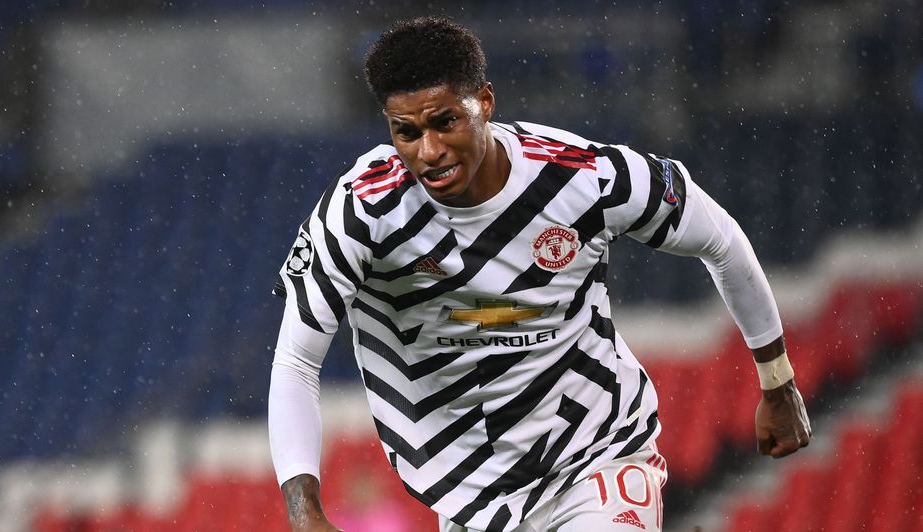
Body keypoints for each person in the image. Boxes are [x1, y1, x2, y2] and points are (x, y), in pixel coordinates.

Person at [268, 16, 811, 532]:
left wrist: (777, 381)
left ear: (485, 102)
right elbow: (296, 361)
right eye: (406, 132)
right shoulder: (361, 211)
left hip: (597, 459)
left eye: (445, 122)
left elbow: (721, 240)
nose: (429, 151)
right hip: (469, 500)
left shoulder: (586, 177)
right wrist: (303, 510)